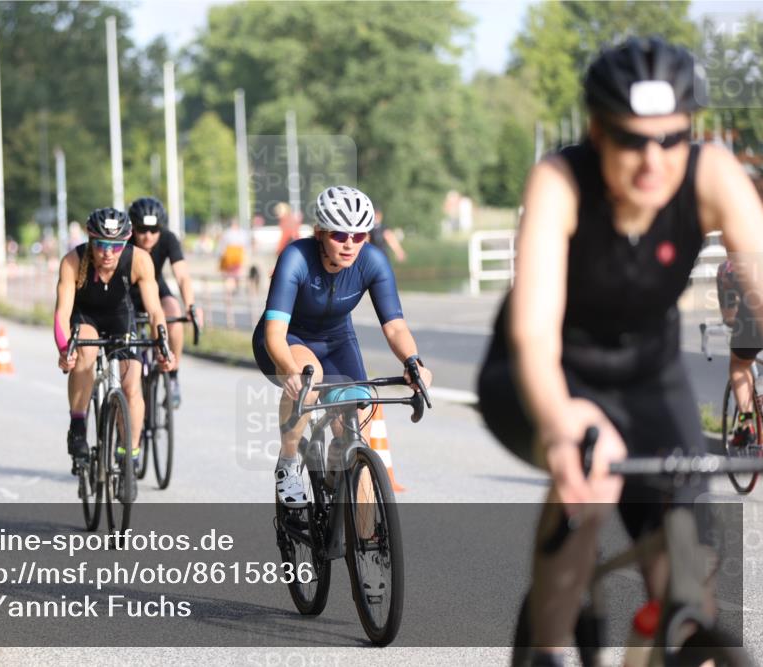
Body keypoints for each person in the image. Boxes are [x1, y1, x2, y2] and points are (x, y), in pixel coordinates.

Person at [475, 37, 763, 663]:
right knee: (593, 470)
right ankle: (549, 645)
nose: (653, 160)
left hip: (645, 375)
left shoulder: (711, 172)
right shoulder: (560, 180)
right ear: (598, 130)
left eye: (670, 139)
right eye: (632, 139)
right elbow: (534, 332)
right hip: (539, 370)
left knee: (690, 571)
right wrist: (559, 422)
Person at [252, 185, 434, 508]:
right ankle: (289, 461)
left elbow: (394, 327)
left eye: (360, 235)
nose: (350, 244)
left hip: (337, 341)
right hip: (288, 339)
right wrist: (292, 372)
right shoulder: (296, 258)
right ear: (320, 232)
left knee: (353, 424)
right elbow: (274, 334)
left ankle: (360, 528)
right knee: (311, 378)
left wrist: (413, 361)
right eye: (339, 235)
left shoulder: (373, 261)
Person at [54, 208, 171, 499]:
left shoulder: (139, 260)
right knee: (85, 355)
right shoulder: (72, 261)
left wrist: (162, 344)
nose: (108, 253)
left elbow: (155, 310)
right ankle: (78, 425)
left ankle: (128, 454)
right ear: (90, 240)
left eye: (116, 246)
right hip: (86, 317)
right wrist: (64, 348)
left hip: (121, 317)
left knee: (132, 388)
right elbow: (61, 313)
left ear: (127, 242)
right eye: (102, 245)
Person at [127, 196, 202, 407]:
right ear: (133, 228)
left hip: (156, 289)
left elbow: (182, 276)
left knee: (174, 315)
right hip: (128, 293)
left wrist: (190, 306)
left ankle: (173, 375)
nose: (148, 236)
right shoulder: (125, 240)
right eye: (142, 230)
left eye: (154, 230)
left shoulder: (168, 239)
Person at [717, 257, 763, 446]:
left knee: (739, 363)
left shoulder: (727, 268)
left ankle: (746, 425)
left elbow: (729, 317)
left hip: (753, 314)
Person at [218, 219, 249, 328]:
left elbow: (222, 247)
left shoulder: (229, 234)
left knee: (232, 278)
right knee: (234, 277)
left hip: (232, 258)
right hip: (235, 258)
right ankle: (231, 292)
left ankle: (230, 293)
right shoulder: (240, 234)